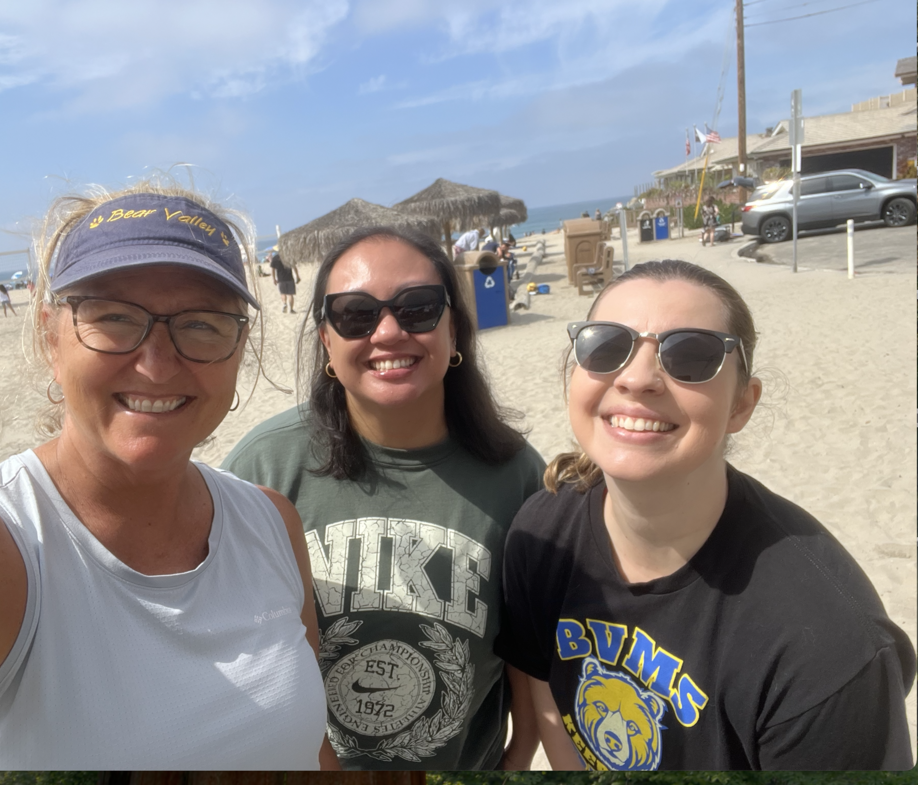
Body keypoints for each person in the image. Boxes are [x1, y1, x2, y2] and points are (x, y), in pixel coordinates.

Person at [0, 183, 337, 770]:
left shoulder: (270, 523)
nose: (156, 364)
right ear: (52, 338)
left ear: (239, 350)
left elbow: (313, 749)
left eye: (202, 324)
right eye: (114, 318)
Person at [496, 260, 916, 771]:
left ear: (742, 404)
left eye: (690, 356)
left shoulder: (827, 650)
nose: (637, 378)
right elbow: (548, 703)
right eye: (606, 345)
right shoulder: (543, 535)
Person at [223, 225, 546, 771]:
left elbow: (528, 659)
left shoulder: (516, 475)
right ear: (327, 339)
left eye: (418, 308)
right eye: (356, 313)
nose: (389, 331)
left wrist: (517, 759)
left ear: (454, 329)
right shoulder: (265, 468)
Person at [270, 246, 301, 313]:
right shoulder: (289, 257)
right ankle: (291, 309)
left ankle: (284, 304)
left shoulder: (275, 258)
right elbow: (294, 267)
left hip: (281, 279)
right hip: (290, 278)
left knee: (283, 293)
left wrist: (274, 279)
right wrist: (297, 276)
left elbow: (272, 270)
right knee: (290, 294)